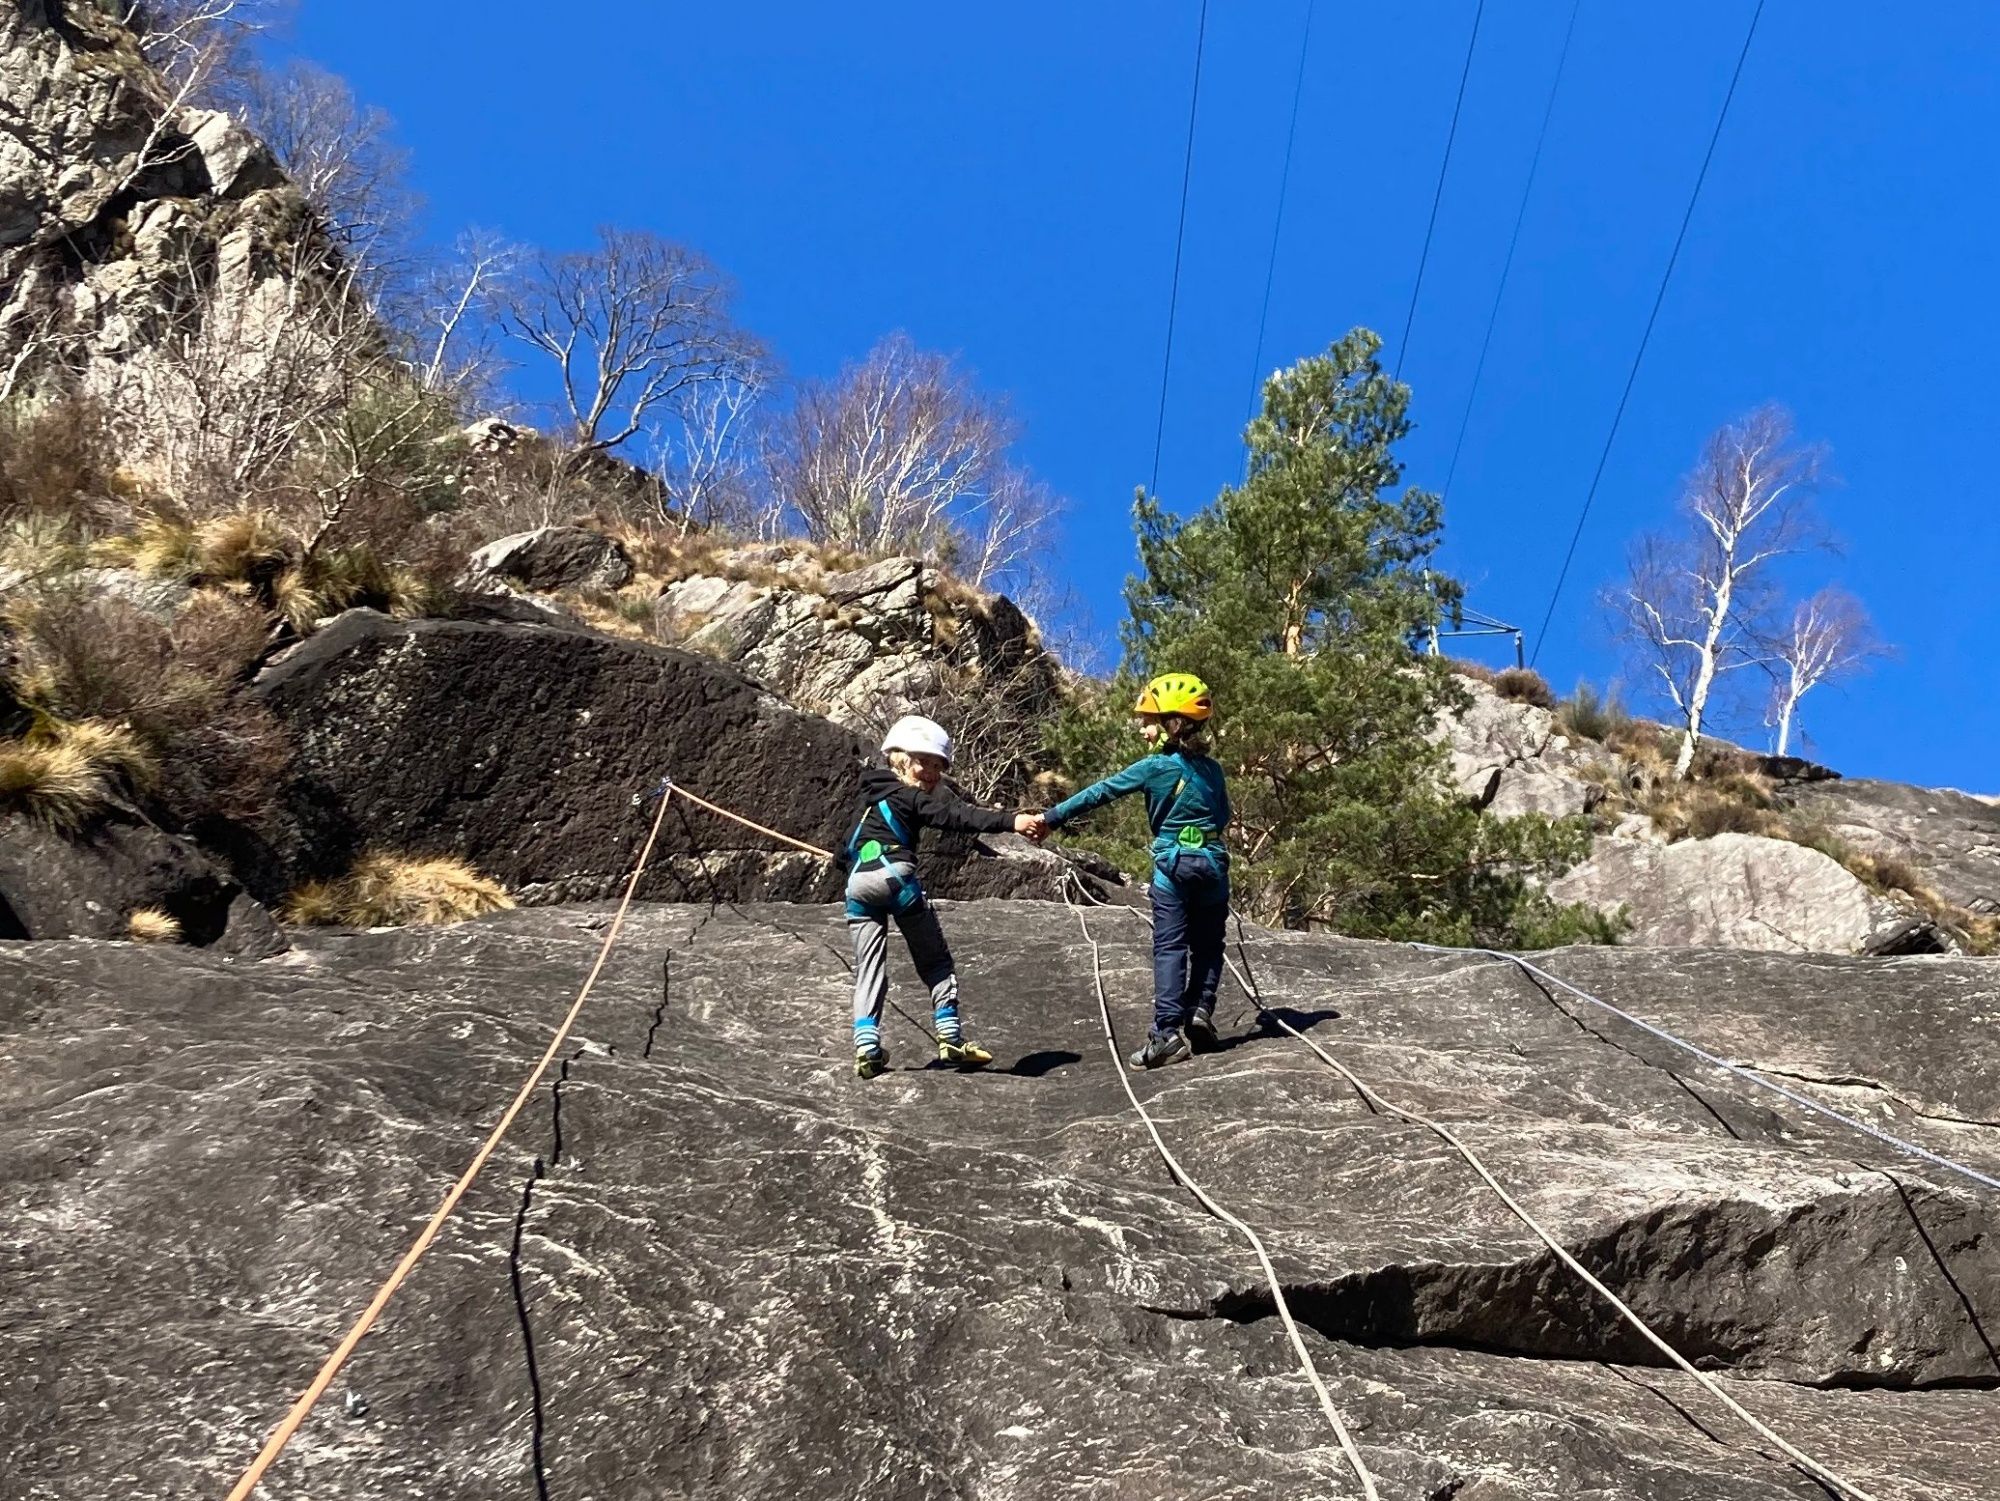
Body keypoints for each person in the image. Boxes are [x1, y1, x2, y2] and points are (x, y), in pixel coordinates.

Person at [1034, 673, 1230, 1070]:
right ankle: (1199, 1010)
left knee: (1170, 947)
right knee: (1209, 945)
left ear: (1171, 725)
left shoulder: (1154, 767)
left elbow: (1099, 792)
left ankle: (1166, 1034)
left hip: (1172, 869)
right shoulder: (1213, 771)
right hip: (1213, 865)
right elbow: (1223, 815)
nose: (1143, 727)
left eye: (1149, 720)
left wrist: (1051, 817)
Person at [840, 714, 1042, 1079]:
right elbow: (956, 815)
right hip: (896, 877)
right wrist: (1012, 821)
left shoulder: (869, 797)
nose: (931, 772)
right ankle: (950, 1037)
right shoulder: (911, 798)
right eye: (924, 763)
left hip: (857, 885)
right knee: (934, 961)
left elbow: (845, 849)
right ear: (900, 758)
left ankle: (867, 1049)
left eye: (937, 766)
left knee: (868, 968)